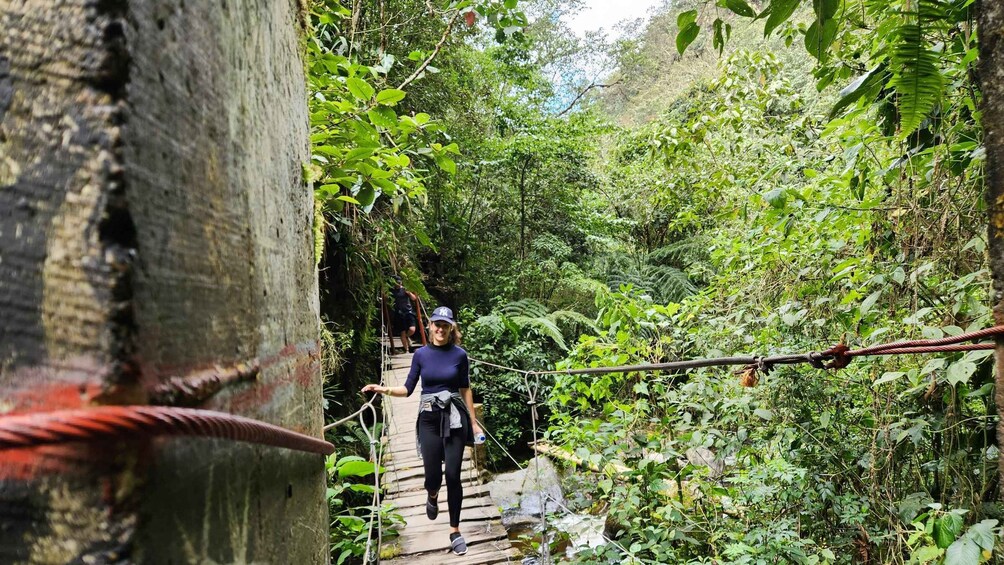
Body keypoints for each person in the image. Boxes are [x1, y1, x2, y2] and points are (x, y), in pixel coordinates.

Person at [362, 306, 482, 556]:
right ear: (429, 326)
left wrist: (473, 421)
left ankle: (455, 531)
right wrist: (383, 389)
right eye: (436, 324)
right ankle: (432, 494)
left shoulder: (460, 355)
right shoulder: (421, 355)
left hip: (455, 419)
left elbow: (465, 389)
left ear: (451, 329)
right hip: (428, 420)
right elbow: (407, 389)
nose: (440, 328)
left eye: (445, 325)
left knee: (452, 475)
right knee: (433, 477)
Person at [389, 275, 418, 353]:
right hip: (399, 313)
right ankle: (406, 350)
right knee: (402, 331)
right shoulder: (391, 291)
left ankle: (407, 336)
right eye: (397, 282)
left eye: (399, 282)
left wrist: (409, 293)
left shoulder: (405, 289)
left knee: (412, 329)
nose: (398, 283)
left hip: (408, 311)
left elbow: (414, 298)